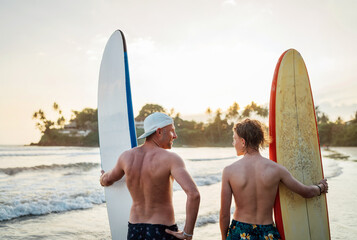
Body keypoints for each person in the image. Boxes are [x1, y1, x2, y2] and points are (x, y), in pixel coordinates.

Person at [219, 119, 328, 240]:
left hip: (240, 232)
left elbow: (224, 215)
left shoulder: (229, 171)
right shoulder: (277, 169)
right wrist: (321, 187)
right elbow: (306, 192)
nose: (233, 143)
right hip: (267, 233)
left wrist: (224, 238)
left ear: (243, 141)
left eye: (235, 139)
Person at [100, 112, 200, 240]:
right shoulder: (171, 159)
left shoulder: (126, 157)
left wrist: (102, 178)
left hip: (134, 229)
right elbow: (194, 194)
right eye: (172, 131)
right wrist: (188, 233)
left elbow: (107, 180)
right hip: (162, 230)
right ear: (159, 132)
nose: (175, 136)